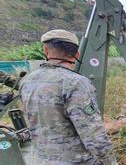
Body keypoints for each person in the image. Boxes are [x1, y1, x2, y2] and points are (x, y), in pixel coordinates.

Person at [19, 29, 118, 165]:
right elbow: (93, 134)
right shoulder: (75, 83)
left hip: (42, 160)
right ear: (76, 54)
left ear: (46, 51)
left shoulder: (27, 81)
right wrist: (110, 162)